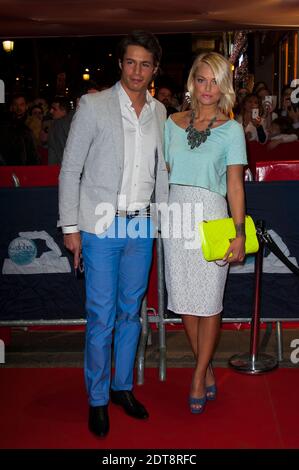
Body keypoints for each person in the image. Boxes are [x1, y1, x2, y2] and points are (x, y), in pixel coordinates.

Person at [58, 30, 168, 437]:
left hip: (142, 225)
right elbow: (70, 169)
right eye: (130, 62)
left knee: (129, 313)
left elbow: (162, 173)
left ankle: (122, 388)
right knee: (101, 316)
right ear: (120, 64)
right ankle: (97, 398)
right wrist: (71, 228)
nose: (137, 71)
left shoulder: (159, 112)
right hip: (101, 225)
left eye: (145, 64)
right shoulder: (94, 105)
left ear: (154, 68)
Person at [163, 52, 247, 414]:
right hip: (176, 217)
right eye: (202, 79)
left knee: (210, 302)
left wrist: (240, 232)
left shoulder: (232, 129)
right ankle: (206, 366)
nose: (208, 88)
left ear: (223, 86)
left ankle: (198, 375)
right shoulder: (171, 123)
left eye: (215, 81)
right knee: (185, 300)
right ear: (191, 82)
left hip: (212, 218)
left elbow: (235, 185)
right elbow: (166, 172)